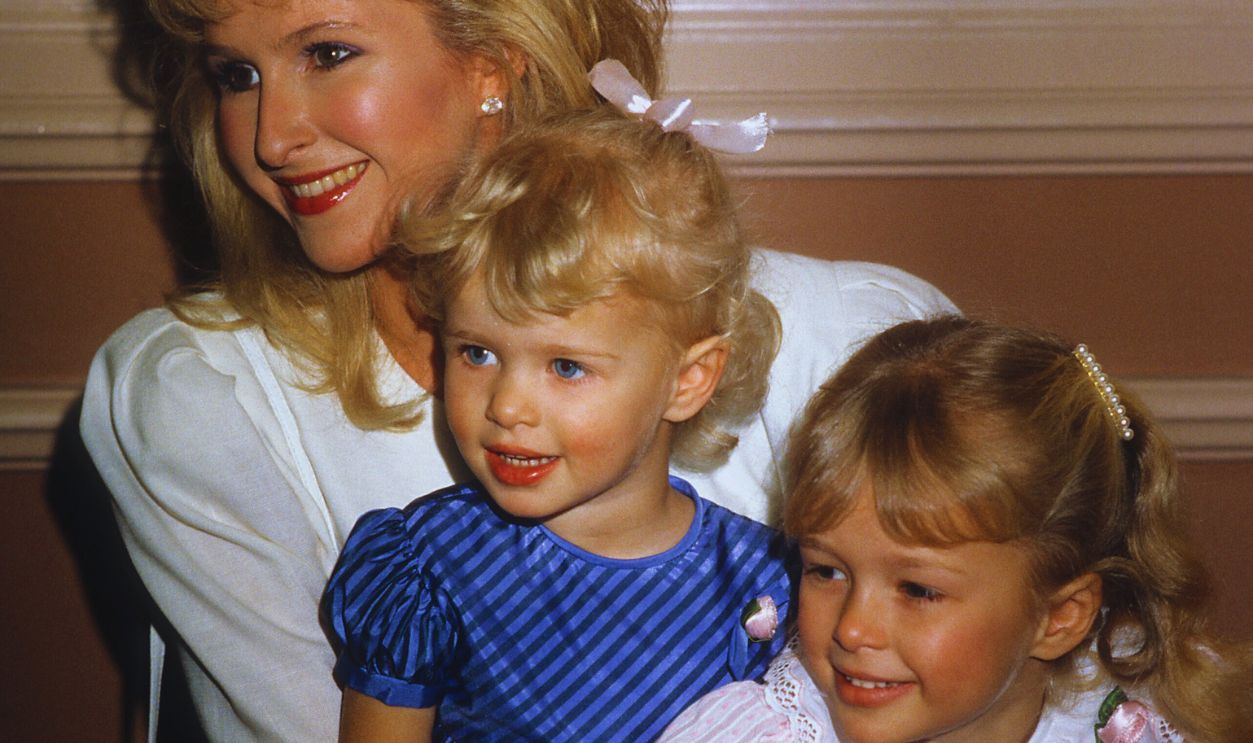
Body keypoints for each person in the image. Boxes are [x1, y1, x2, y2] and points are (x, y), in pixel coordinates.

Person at [80, 0, 954, 740]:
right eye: (235, 75)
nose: (272, 137)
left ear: (494, 61)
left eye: (328, 53)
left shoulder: (846, 340)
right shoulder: (200, 396)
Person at [324, 103, 794, 741]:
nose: (507, 407)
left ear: (687, 381)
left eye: (567, 367)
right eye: (478, 353)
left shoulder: (762, 582)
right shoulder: (431, 570)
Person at [660, 316, 1253, 743]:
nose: (854, 628)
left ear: (1059, 617)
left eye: (917, 590)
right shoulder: (755, 732)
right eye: (826, 570)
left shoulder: (1128, 722)